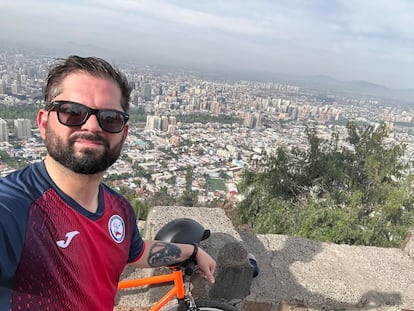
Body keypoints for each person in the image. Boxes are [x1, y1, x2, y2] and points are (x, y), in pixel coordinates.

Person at [0, 55, 216, 310]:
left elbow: (136, 251)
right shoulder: (16, 208)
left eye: (110, 118)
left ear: (123, 134)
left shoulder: (119, 210)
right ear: (44, 122)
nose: (92, 126)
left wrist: (192, 252)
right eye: (72, 112)